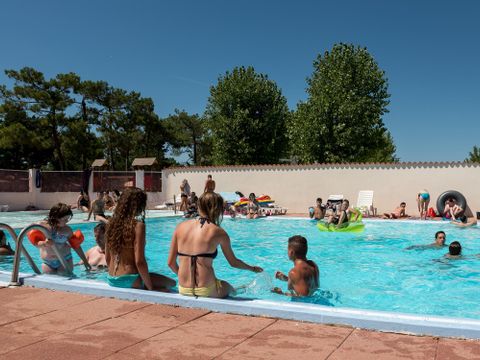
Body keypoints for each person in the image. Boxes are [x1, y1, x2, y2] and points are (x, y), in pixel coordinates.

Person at [167, 191, 263, 298]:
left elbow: (170, 263)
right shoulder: (219, 232)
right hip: (207, 290)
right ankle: (240, 289)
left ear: (199, 206)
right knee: (231, 289)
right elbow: (233, 262)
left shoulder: (180, 227)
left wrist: (184, 278)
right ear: (217, 210)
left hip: (183, 288)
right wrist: (252, 268)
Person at [105, 187, 175, 291]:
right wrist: (150, 287)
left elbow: (107, 258)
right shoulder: (138, 226)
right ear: (138, 205)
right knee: (171, 283)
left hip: (111, 279)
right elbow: (140, 261)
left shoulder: (110, 224)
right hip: (130, 279)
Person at [36, 203, 77, 274]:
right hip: (48, 262)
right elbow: (35, 242)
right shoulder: (42, 227)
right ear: (56, 217)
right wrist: (44, 243)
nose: (67, 221)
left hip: (65, 259)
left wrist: (85, 262)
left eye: (67, 219)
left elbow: (76, 246)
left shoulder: (67, 230)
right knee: (49, 279)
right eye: (65, 219)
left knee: (64, 275)